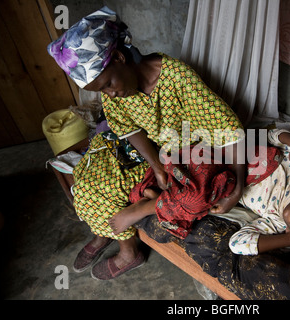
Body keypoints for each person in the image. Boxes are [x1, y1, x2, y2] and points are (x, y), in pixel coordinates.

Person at [47, 6, 245, 280]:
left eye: (107, 86)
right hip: (148, 155)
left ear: (118, 57)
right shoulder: (116, 92)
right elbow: (126, 128)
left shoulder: (177, 78)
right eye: (102, 90)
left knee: (196, 193)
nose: (110, 95)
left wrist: (237, 188)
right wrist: (156, 164)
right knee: (87, 185)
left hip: (185, 150)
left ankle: (134, 237)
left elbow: (228, 129)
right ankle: (106, 234)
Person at [108, 128, 290, 255]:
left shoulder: (275, 224)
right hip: (225, 153)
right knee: (197, 196)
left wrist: (289, 238)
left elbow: (238, 244)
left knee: (199, 203)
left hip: (219, 182)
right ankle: (148, 206)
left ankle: (159, 199)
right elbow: (271, 134)